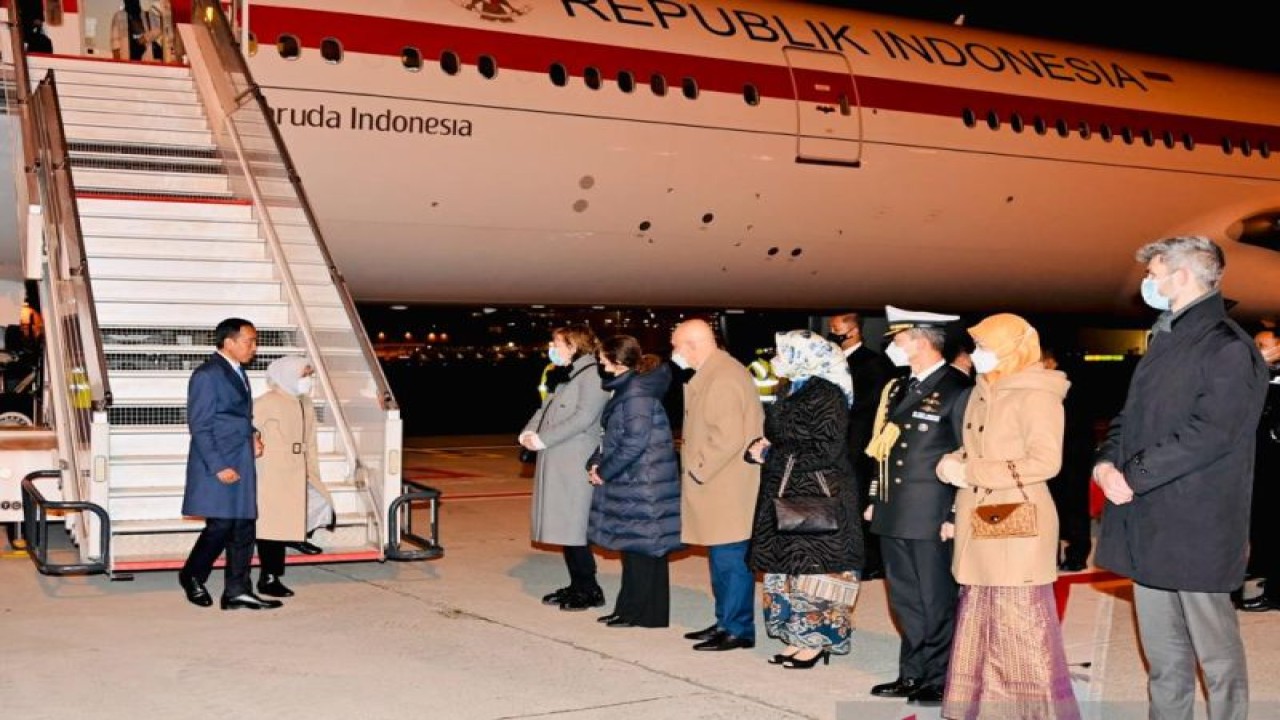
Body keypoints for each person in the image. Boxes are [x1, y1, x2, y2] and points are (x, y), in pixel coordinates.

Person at [1093, 236, 1267, 720]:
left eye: (1154, 273)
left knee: (1216, 657)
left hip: (1197, 524)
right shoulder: (1166, 336)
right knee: (1163, 656)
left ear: (1183, 276)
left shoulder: (1228, 346)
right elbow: (1130, 416)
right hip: (1150, 516)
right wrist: (1106, 464)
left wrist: (1135, 475)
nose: (1147, 282)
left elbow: (1212, 433)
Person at [935, 314, 1081, 719]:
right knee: (981, 613)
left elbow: (1045, 462)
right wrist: (954, 461)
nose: (975, 355)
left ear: (1011, 349)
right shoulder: (984, 391)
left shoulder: (1036, 394)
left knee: (1019, 619)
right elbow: (980, 450)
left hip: (1017, 514)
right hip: (983, 511)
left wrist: (970, 472)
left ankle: (1035, 712)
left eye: (984, 347)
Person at [863, 306, 972, 704]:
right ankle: (911, 674)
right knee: (905, 598)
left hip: (931, 513)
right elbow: (882, 449)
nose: (894, 345)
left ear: (921, 341)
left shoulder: (958, 389)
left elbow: (968, 455)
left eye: (899, 338)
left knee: (936, 598)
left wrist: (955, 514)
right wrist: (876, 496)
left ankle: (939, 677)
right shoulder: (897, 388)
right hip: (895, 507)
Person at [745, 330, 863, 669]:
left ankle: (817, 641)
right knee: (787, 569)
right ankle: (795, 637)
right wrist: (762, 447)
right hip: (786, 489)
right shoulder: (790, 387)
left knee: (815, 569)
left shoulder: (827, 394)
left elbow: (826, 448)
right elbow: (781, 436)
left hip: (817, 493)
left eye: (784, 352)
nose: (776, 359)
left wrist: (773, 455)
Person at [671, 318, 764, 651]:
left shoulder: (723, 377)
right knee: (721, 559)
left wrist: (697, 469)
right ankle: (725, 620)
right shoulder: (714, 372)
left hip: (724, 485)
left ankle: (738, 629)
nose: (674, 352)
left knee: (731, 561)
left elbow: (727, 437)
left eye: (676, 345)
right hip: (717, 484)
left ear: (693, 345)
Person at [178, 318, 281, 610]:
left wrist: (253, 435)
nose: (254, 347)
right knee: (222, 524)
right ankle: (192, 575)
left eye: (254, 341)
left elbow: (237, 417)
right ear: (229, 342)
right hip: (220, 459)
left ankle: (237, 590)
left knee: (243, 525)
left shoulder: (236, 372)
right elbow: (200, 425)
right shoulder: (207, 375)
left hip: (240, 456)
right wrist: (217, 465)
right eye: (249, 341)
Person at [587, 336, 682, 628]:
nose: (600, 363)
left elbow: (633, 443)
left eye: (603, 358)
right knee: (638, 549)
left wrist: (604, 471)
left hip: (643, 482)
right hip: (636, 479)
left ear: (617, 360)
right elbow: (612, 438)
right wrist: (594, 461)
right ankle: (634, 610)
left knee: (642, 551)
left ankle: (638, 613)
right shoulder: (630, 388)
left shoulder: (636, 393)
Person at [520, 324, 610, 611]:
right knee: (565, 527)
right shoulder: (569, 375)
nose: (552, 348)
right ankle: (578, 584)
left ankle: (589, 589)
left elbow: (584, 418)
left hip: (574, 461)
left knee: (573, 528)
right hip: (559, 458)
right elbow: (544, 409)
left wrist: (543, 439)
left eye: (557, 343)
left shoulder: (592, 374)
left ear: (573, 346)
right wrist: (528, 433)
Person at [252, 356, 335, 598]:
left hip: (298, 466)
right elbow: (248, 428)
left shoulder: (304, 403)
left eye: (309, 375)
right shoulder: (266, 402)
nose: (307, 380)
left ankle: (297, 534)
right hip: (272, 469)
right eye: (304, 375)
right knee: (271, 524)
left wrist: (311, 467)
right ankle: (269, 577)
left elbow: (309, 438)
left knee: (315, 502)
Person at [828, 312, 893, 580]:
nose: (833, 334)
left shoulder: (872, 363)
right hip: (841, 442)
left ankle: (869, 561)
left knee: (861, 502)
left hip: (861, 444)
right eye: (831, 329)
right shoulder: (833, 361)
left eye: (837, 329)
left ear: (854, 331)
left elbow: (867, 407)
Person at [1042, 347, 1095, 572]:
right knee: (1049, 508)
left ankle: (1076, 554)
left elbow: (1079, 424)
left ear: (1051, 362)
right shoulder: (1041, 389)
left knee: (1074, 508)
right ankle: (1050, 554)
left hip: (1073, 457)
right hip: (1051, 457)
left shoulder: (1069, 386)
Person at [1241, 328, 1280, 612]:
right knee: (1261, 525)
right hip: (1257, 469)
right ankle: (1261, 572)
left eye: (1262, 344)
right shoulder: (1256, 378)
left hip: (1274, 468)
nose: (1256, 348)